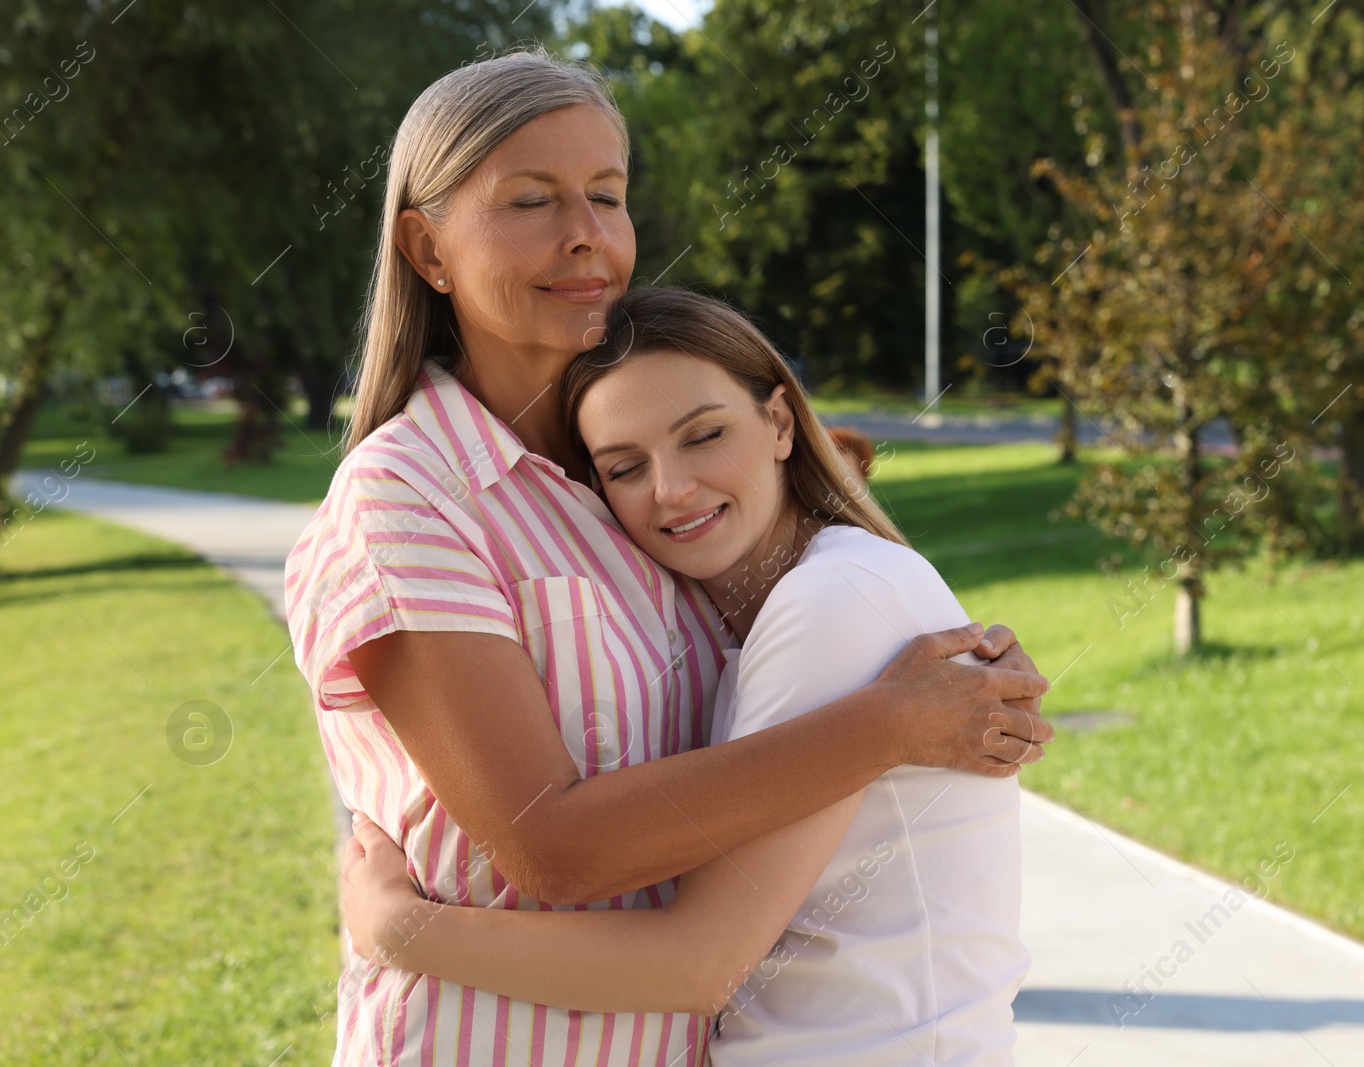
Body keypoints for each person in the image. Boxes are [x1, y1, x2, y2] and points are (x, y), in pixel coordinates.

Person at [284, 48, 1052, 1066]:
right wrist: (890, 721)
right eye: (531, 200)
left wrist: (938, 670)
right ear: (427, 249)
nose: (587, 236)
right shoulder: (410, 496)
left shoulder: (619, 491)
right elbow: (553, 847)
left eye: (608, 194)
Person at [341, 286, 1031, 1064]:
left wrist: (404, 930)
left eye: (703, 435)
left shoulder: (832, 600)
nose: (670, 489)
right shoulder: (759, 613)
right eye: (625, 466)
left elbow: (697, 961)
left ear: (777, 422)